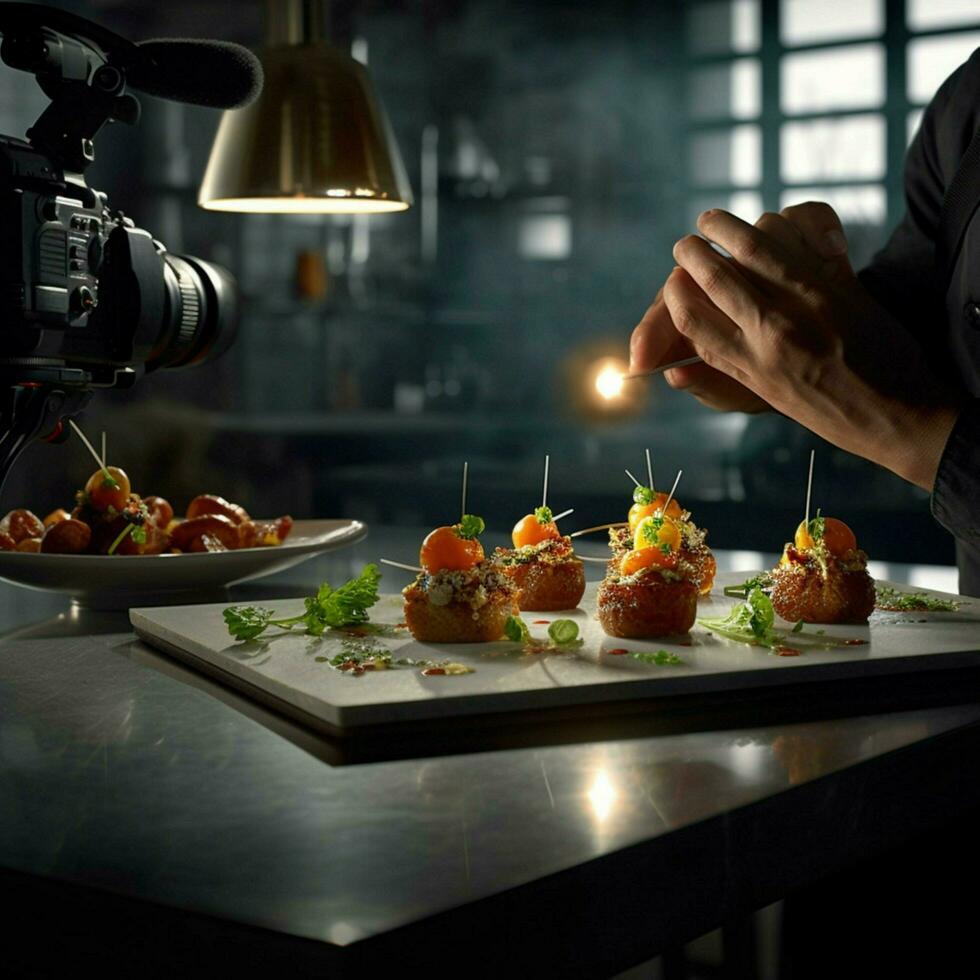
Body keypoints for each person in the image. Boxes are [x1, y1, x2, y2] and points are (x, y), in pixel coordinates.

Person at [630, 49, 980, 596]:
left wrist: (916, 431)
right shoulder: (968, 103)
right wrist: (781, 345)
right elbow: (917, 308)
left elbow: (897, 388)